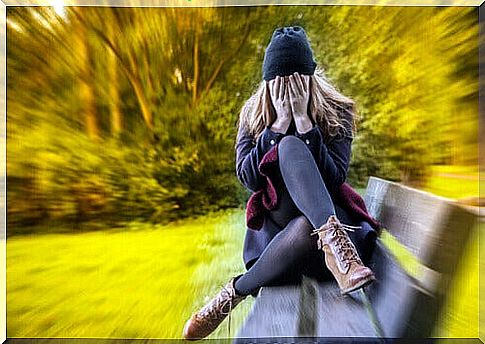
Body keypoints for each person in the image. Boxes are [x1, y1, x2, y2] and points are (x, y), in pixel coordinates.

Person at [182, 25, 380, 341]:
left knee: (303, 206)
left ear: (310, 77)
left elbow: (335, 178)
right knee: (289, 164)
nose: (287, 88)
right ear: (267, 82)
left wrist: (304, 124)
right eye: (278, 80)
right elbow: (248, 177)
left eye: (296, 79)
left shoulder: (338, 111)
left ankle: (234, 292)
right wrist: (275, 130)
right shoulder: (252, 115)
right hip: (281, 249)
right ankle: (235, 291)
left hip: (334, 253)